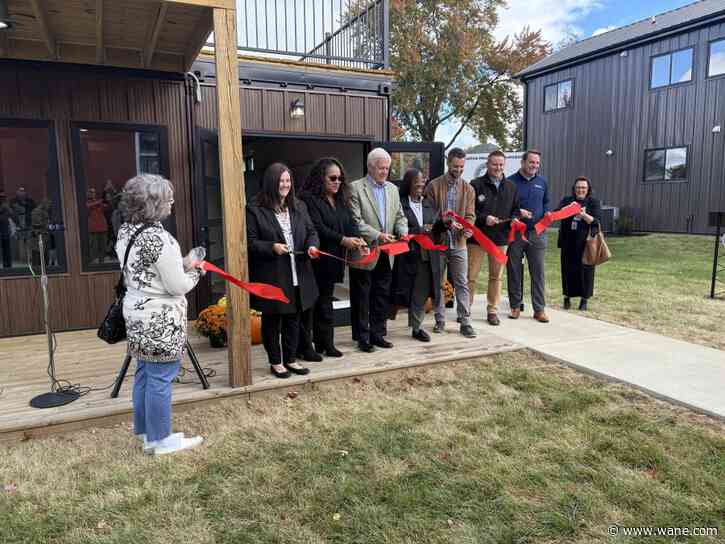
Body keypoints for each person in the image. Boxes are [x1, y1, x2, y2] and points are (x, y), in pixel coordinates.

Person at [116, 174, 205, 455]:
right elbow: (176, 285)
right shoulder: (161, 238)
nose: (172, 201)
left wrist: (183, 263)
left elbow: (147, 270)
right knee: (161, 378)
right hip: (161, 319)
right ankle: (161, 439)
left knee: (144, 373)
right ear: (154, 204)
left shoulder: (125, 232)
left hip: (135, 312)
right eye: (168, 198)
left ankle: (146, 433)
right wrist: (197, 272)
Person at [247, 163, 320, 378]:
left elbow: (311, 231)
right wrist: (272, 247)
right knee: (273, 320)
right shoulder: (254, 209)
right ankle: (276, 362)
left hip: (298, 271)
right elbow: (250, 242)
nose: (285, 185)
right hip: (273, 273)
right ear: (272, 182)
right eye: (281, 181)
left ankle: (290, 359)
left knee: (294, 319)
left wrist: (312, 245)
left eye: (288, 181)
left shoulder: (299, 206)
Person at [301, 157, 366, 357]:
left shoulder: (340, 199)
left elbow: (350, 223)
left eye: (340, 178)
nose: (337, 182)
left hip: (333, 263)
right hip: (315, 261)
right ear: (321, 178)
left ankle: (326, 343)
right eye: (333, 178)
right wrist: (343, 240)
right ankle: (306, 347)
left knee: (326, 303)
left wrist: (359, 239)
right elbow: (318, 228)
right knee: (311, 305)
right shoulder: (308, 199)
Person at [349, 147, 408, 352]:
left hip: (387, 252)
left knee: (381, 295)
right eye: (381, 168)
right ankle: (362, 337)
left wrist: (403, 231)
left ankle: (378, 334)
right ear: (370, 167)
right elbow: (355, 222)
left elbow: (400, 216)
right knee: (362, 297)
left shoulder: (392, 189)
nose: (385, 172)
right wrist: (378, 235)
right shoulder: (355, 188)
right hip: (365, 251)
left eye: (387, 168)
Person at [424, 147, 476, 338]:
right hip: (439, 243)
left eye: (462, 167)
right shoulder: (433, 186)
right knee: (438, 282)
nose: (459, 170)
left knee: (462, 282)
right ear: (448, 163)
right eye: (456, 166)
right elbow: (428, 214)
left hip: (460, 244)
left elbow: (470, 215)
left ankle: (465, 321)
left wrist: (469, 227)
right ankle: (440, 320)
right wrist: (442, 222)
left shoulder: (468, 189)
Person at [468, 150, 520, 326]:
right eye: (494, 164)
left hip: (500, 239)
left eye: (500, 165)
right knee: (470, 276)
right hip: (477, 239)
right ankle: (465, 309)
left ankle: (492, 310)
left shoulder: (511, 186)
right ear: (487, 164)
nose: (497, 167)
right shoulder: (475, 185)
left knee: (496, 276)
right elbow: (469, 211)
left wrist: (515, 218)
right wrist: (484, 219)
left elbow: (515, 209)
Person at [391, 169, 443, 342]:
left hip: (426, 256)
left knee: (420, 294)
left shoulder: (429, 204)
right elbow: (396, 228)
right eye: (417, 181)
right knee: (400, 292)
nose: (421, 184)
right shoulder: (400, 203)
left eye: (423, 181)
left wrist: (445, 224)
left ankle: (416, 327)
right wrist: (418, 230)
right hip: (407, 256)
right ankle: (380, 327)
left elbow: (435, 229)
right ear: (408, 184)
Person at [507, 149, 550, 323]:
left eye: (537, 163)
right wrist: (518, 212)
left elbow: (546, 202)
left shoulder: (542, 182)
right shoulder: (510, 182)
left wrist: (547, 214)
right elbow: (505, 207)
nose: (534, 166)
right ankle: (515, 306)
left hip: (537, 234)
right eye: (532, 162)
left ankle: (539, 309)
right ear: (523, 162)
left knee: (538, 272)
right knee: (514, 270)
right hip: (516, 234)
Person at [558, 176, 601, 311]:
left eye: (583, 188)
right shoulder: (567, 200)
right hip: (568, 241)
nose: (580, 190)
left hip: (585, 243)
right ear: (574, 189)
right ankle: (567, 298)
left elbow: (597, 222)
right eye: (578, 187)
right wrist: (567, 209)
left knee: (586, 271)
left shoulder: (593, 202)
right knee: (567, 270)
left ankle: (584, 300)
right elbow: (556, 214)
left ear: (588, 189)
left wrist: (583, 215)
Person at [87, 187, 109, 264]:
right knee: (93, 247)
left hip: (102, 227)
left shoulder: (99, 202)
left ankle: (101, 262)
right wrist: (98, 202)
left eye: (93, 192)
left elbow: (106, 207)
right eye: (91, 192)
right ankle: (93, 262)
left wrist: (104, 202)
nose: (92, 194)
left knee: (103, 246)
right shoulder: (87, 202)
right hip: (93, 229)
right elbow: (87, 207)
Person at [0, 192, 15, 268]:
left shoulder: (6, 206)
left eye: (3, 197)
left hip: (5, 231)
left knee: (7, 250)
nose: (2, 199)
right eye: (1, 197)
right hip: (2, 231)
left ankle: (8, 265)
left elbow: (11, 214)